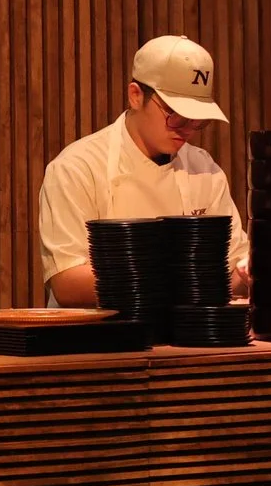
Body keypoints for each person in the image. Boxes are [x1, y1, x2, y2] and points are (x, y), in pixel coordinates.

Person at [38, 34, 251, 308]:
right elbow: (68, 283)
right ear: (136, 96)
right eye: (176, 116)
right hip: (95, 339)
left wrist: (248, 273)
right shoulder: (77, 168)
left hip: (185, 338)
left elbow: (233, 267)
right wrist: (187, 278)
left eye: (197, 121)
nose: (187, 130)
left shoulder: (204, 169)